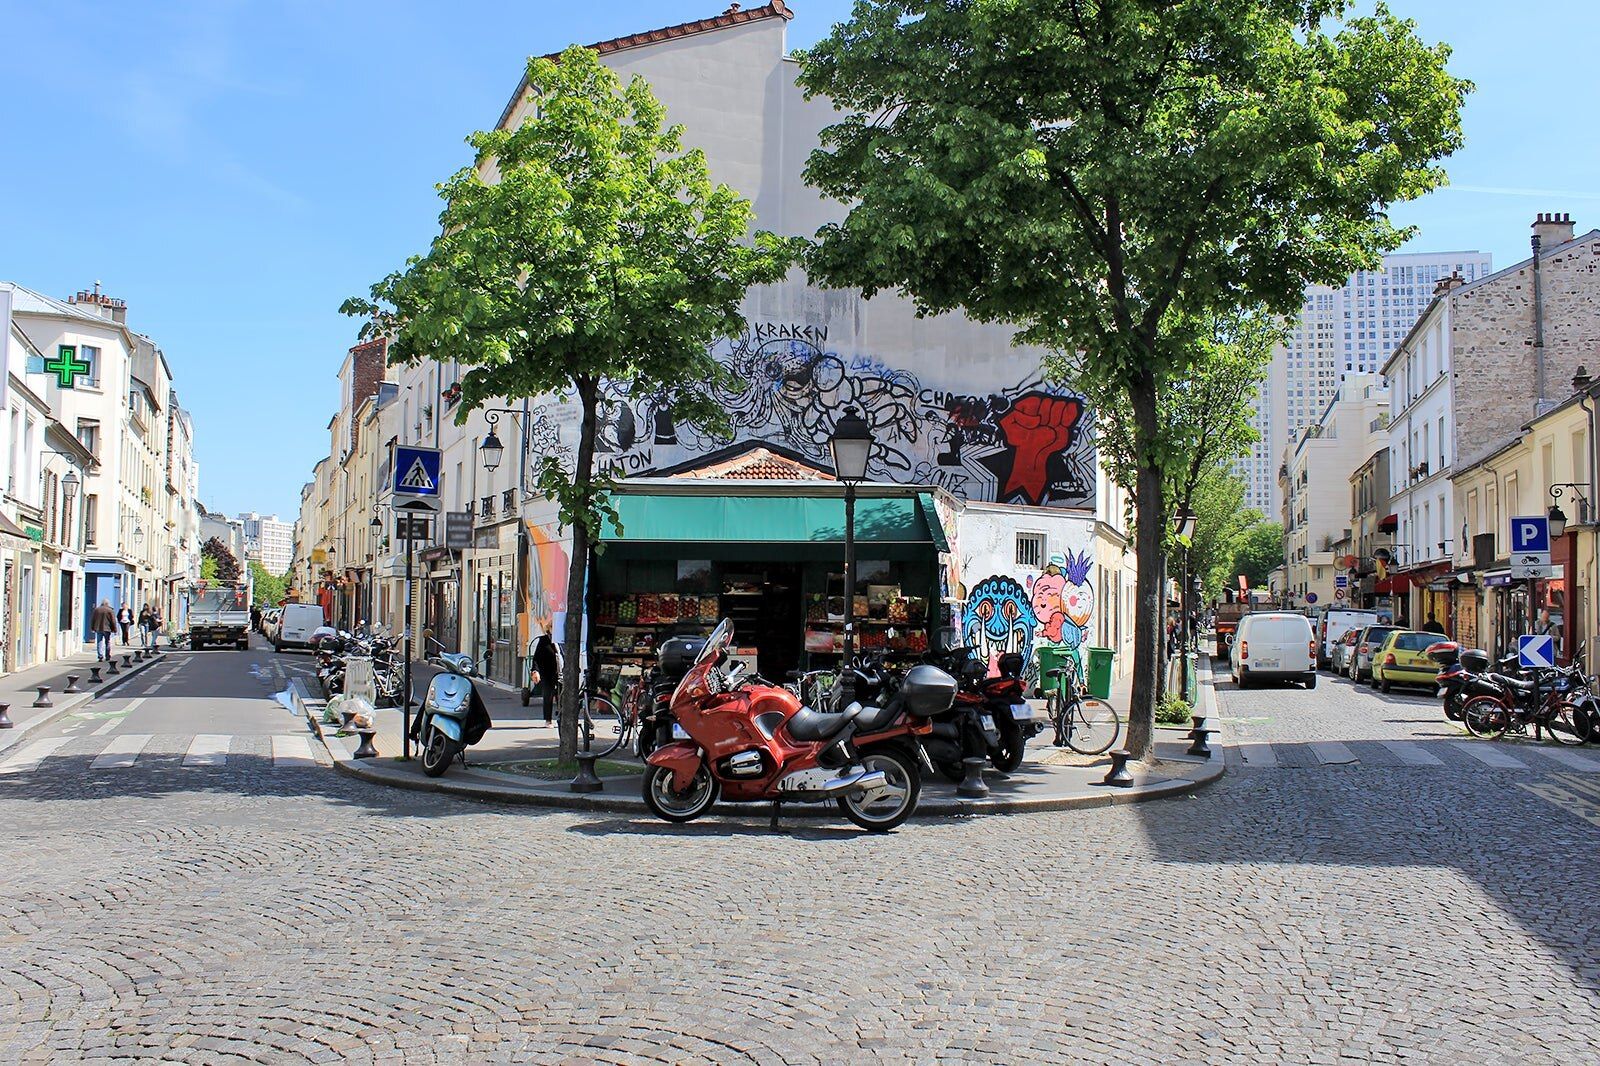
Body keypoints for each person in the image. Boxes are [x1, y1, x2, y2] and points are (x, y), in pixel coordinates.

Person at [533, 632, 562, 726]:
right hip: (547, 672)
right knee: (548, 695)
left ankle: (562, 717)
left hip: (562, 672)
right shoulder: (544, 640)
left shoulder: (563, 640)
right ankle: (548, 720)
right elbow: (537, 657)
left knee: (562, 696)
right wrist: (535, 671)